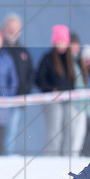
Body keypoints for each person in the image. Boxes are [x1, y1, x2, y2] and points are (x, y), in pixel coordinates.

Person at [35, 24, 76, 155]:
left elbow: (72, 80)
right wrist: (50, 89)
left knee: (69, 129)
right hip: (52, 101)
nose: (61, 44)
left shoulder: (70, 61)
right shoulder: (47, 59)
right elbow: (39, 79)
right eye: (58, 41)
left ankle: (65, 156)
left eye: (63, 41)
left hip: (67, 101)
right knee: (54, 130)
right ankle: (51, 156)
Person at [2, 13, 33, 154]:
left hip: (19, 97)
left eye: (16, 28)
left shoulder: (23, 50)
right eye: (11, 27)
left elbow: (31, 72)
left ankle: (8, 155)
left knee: (12, 130)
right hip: (0, 98)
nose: (13, 31)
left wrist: (26, 90)